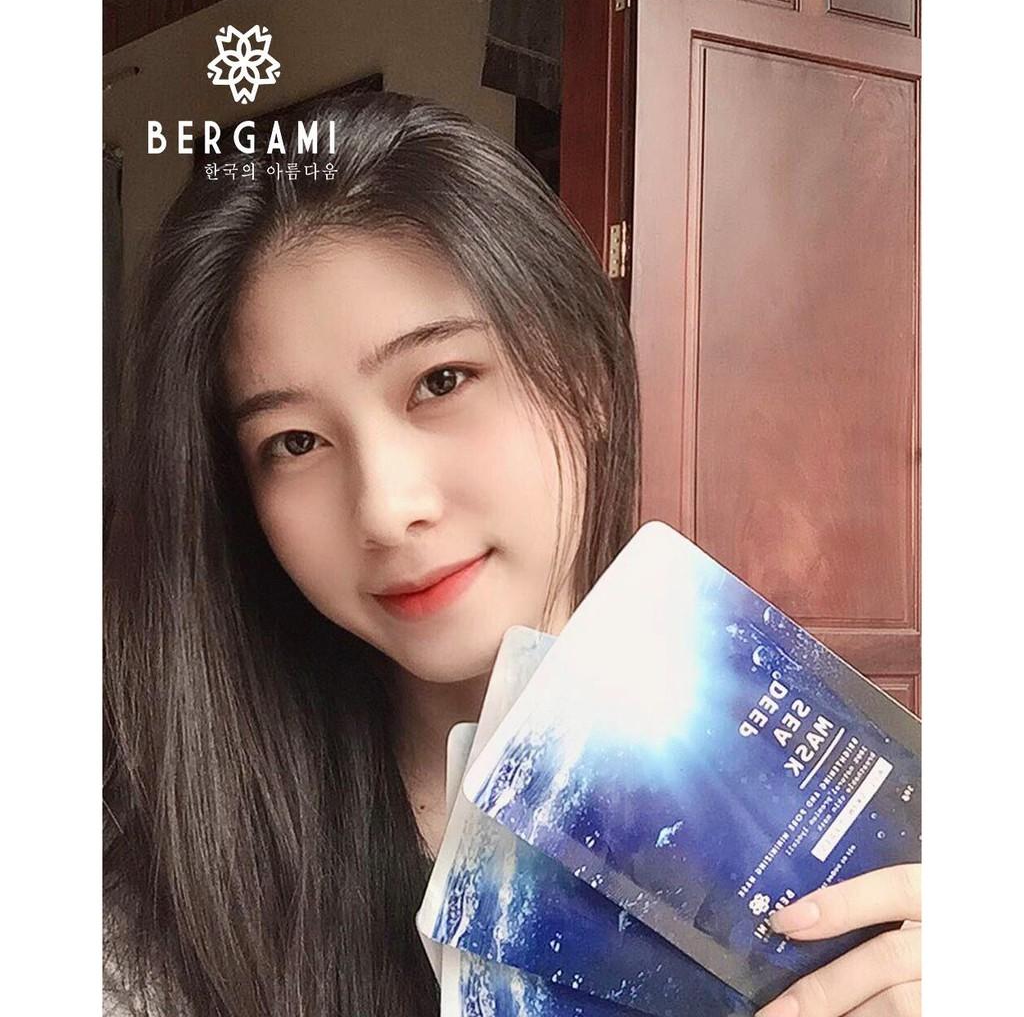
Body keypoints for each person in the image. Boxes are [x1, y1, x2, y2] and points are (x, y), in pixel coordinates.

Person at [103, 90, 920, 1017]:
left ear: (586, 376)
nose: (387, 508)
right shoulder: (150, 913)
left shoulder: (845, 795)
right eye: (295, 442)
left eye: (441, 380)